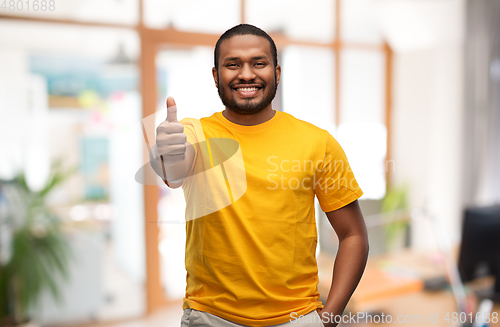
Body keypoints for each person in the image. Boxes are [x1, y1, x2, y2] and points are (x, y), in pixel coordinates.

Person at [149, 24, 369, 327]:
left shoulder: (317, 143)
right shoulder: (195, 134)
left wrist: (329, 318)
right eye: (233, 64)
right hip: (211, 318)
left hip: (297, 318)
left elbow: (353, 235)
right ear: (216, 75)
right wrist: (165, 151)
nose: (246, 74)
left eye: (259, 63)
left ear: (277, 73)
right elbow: (174, 168)